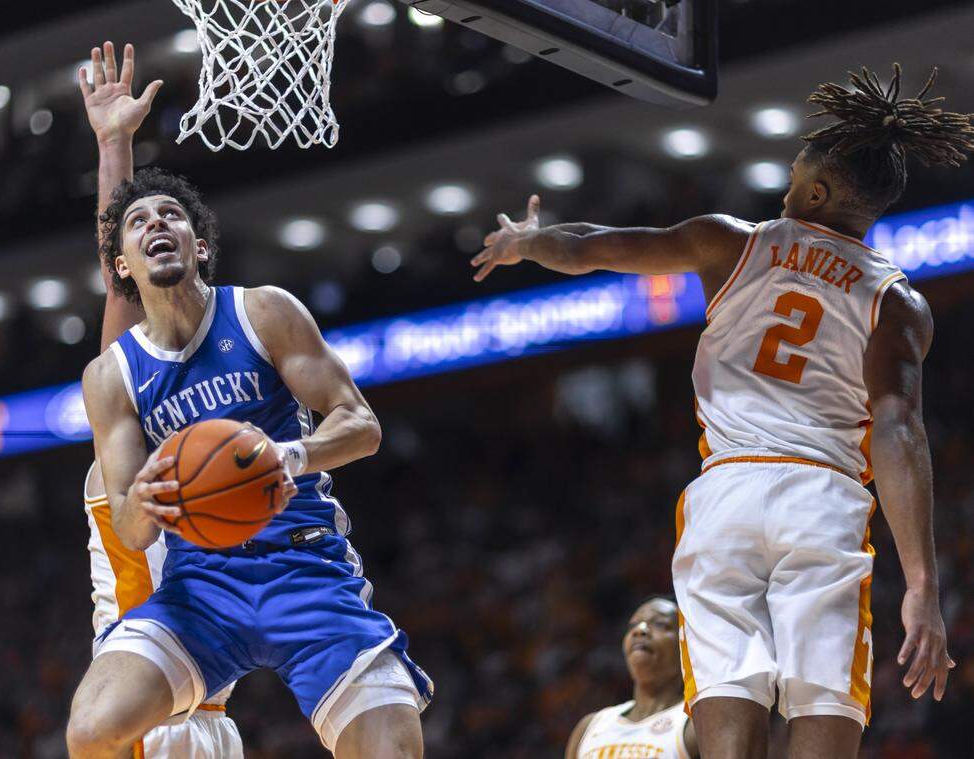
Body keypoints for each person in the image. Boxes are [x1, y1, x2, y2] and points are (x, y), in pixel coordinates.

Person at [472, 65, 973, 759]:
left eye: (796, 173)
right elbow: (896, 429)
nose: (785, 183)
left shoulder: (733, 241)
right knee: (823, 699)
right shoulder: (896, 302)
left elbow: (595, 247)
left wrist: (528, 241)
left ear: (818, 191)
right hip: (822, 496)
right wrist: (922, 582)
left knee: (728, 698)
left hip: (726, 492)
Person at [65, 42, 433, 759]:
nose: (157, 225)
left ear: (201, 246)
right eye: (140, 224)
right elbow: (135, 530)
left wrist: (285, 454)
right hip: (201, 586)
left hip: (304, 562)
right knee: (92, 728)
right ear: (122, 263)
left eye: (172, 215)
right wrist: (149, 494)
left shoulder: (263, 312)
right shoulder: (114, 374)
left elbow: (361, 426)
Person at [78, 42, 243, 758]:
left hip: (214, 718)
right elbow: (121, 288)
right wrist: (115, 145)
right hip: (146, 722)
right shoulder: (126, 421)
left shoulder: (223, 426)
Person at [565, 598, 698, 759]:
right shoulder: (590, 727)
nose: (640, 630)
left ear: (685, 644)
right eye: (633, 626)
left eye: (660, 624)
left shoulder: (694, 724)